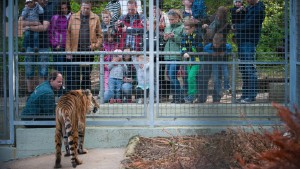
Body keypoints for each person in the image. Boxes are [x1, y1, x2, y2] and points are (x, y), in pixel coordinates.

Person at [21, 0, 58, 95]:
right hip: (29, 45)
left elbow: (44, 27)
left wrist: (29, 26)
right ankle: (30, 94)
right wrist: (36, 23)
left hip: (43, 45)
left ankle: (41, 93)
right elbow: (21, 23)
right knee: (29, 70)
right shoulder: (27, 8)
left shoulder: (46, 10)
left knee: (43, 71)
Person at [231, 0, 265, 103]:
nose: (246, 1)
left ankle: (251, 96)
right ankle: (245, 94)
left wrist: (236, 27)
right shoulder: (249, 7)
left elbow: (250, 24)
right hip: (242, 41)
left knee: (249, 68)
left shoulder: (259, 9)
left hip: (249, 42)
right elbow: (239, 19)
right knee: (243, 69)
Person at [65, 0, 103, 91]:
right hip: (75, 51)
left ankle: (86, 97)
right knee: (75, 75)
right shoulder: (73, 17)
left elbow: (100, 36)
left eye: (88, 8)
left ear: (90, 8)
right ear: (80, 7)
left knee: (86, 75)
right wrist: (68, 50)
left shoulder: (95, 18)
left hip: (88, 52)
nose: (86, 10)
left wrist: (94, 46)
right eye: (84, 8)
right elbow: (68, 34)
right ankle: (77, 96)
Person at [198, 33, 232, 103]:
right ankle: (218, 93)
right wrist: (211, 52)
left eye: (217, 44)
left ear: (222, 42)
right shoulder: (210, 46)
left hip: (223, 63)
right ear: (213, 41)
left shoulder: (225, 46)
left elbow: (230, 48)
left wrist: (225, 52)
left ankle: (226, 88)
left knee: (226, 75)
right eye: (214, 43)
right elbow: (204, 48)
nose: (215, 45)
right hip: (215, 63)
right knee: (216, 78)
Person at [163, 9, 184, 103]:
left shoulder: (182, 27)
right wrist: (165, 37)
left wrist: (174, 36)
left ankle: (180, 96)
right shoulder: (167, 27)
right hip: (167, 55)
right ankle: (176, 97)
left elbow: (182, 41)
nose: (171, 21)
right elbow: (164, 40)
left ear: (178, 18)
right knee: (169, 76)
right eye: (170, 19)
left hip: (176, 55)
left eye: (173, 19)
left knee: (172, 75)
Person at [180, 19, 203, 103]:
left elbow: (199, 48)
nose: (186, 31)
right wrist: (184, 52)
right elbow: (182, 46)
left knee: (191, 77)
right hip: (188, 61)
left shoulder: (197, 36)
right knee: (188, 78)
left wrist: (189, 52)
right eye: (185, 29)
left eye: (187, 29)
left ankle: (192, 95)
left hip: (196, 61)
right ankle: (192, 95)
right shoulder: (185, 35)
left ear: (193, 28)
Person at [49, 1, 72, 74]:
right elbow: (50, 32)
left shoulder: (73, 16)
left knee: (70, 70)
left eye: (66, 8)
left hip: (71, 47)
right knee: (59, 70)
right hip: (59, 47)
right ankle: (60, 85)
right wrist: (55, 44)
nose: (64, 10)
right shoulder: (55, 18)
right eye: (62, 8)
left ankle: (69, 85)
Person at [101, 10, 119, 91]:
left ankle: (112, 92)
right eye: (104, 17)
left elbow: (116, 37)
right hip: (104, 52)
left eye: (107, 17)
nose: (105, 19)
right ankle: (103, 91)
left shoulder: (113, 27)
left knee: (112, 75)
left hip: (112, 54)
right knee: (103, 74)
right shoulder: (100, 27)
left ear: (110, 17)